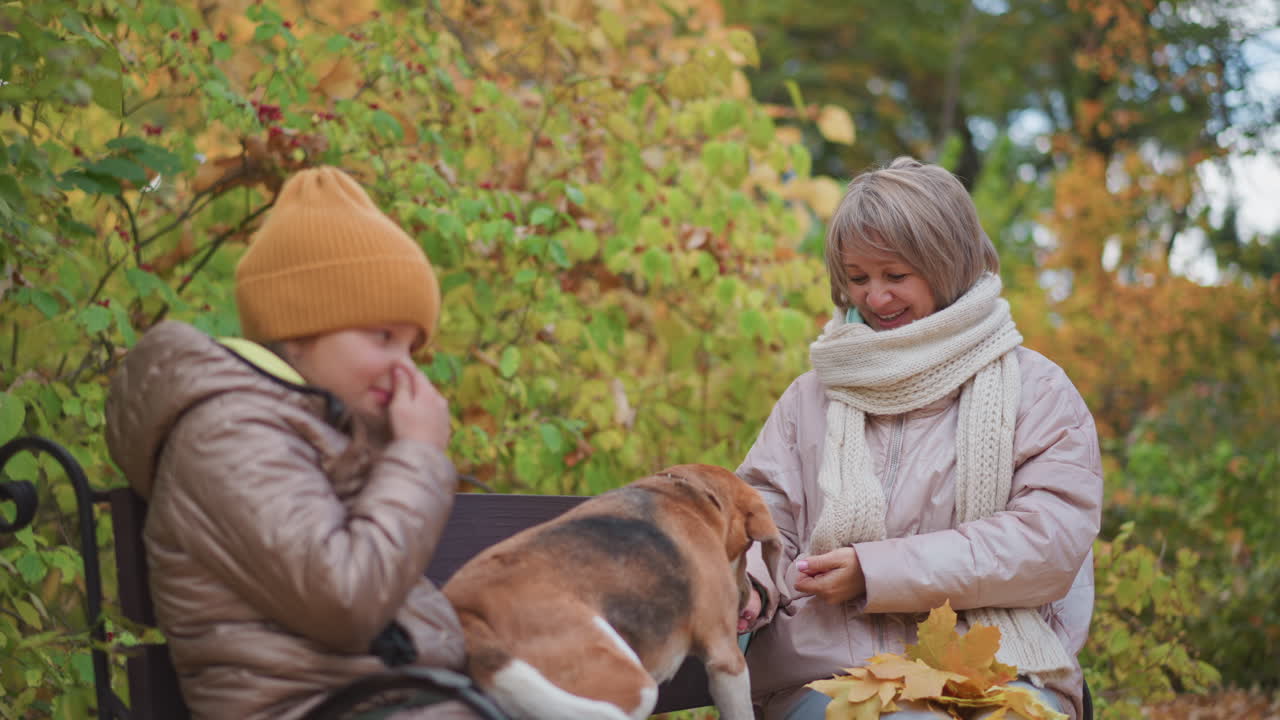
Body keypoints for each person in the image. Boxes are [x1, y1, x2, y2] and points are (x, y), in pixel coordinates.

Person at [735, 157, 1102, 719]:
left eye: (896, 276)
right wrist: (752, 588)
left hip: (999, 676)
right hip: (825, 678)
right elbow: (763, 520)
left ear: (946, 265)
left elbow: (1046, 545)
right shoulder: (809, 399)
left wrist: (876, 571)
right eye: (858, 279)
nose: (875, 298)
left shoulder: (1038, 389)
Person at [105, 167, 477, 719]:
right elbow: (347, 600)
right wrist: (418, 457)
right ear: (301, 326)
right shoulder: (229, 435)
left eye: (411, 348)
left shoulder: (315, 431)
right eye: (382, 338)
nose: (404, 368)